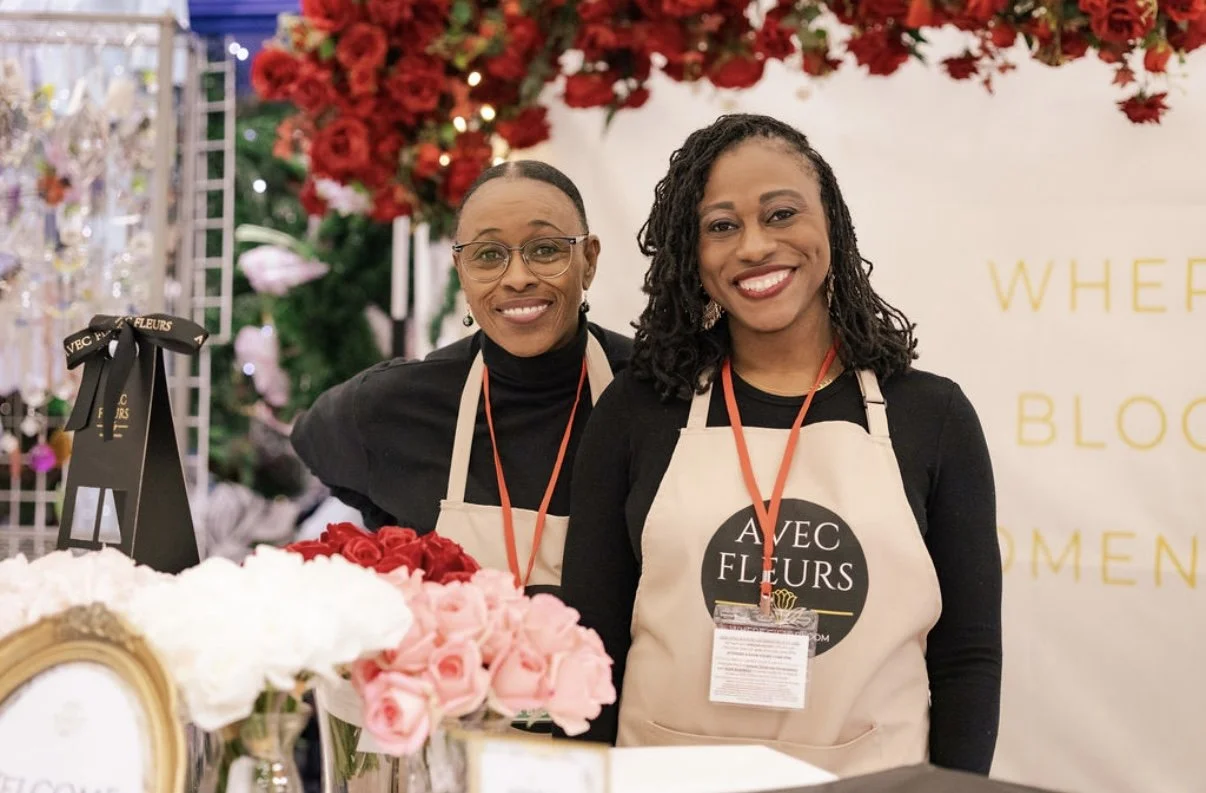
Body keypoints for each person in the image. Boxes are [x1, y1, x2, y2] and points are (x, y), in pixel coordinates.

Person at [561, 114, 1001, 777]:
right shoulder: (638, 411)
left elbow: (967, 657)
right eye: (722, 226)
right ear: (693, 255)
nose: (755, 245)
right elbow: (589, 644)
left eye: (781, 213)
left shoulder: (931, 416)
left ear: (831, 224)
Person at [291, 160, 632, 596]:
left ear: (588, 260)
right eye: (488, 255)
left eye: (546, 249)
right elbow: (310, 441)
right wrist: (389, 525)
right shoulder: (396, 402)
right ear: (461, 271)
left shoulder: (650, 388)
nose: (519, 278)